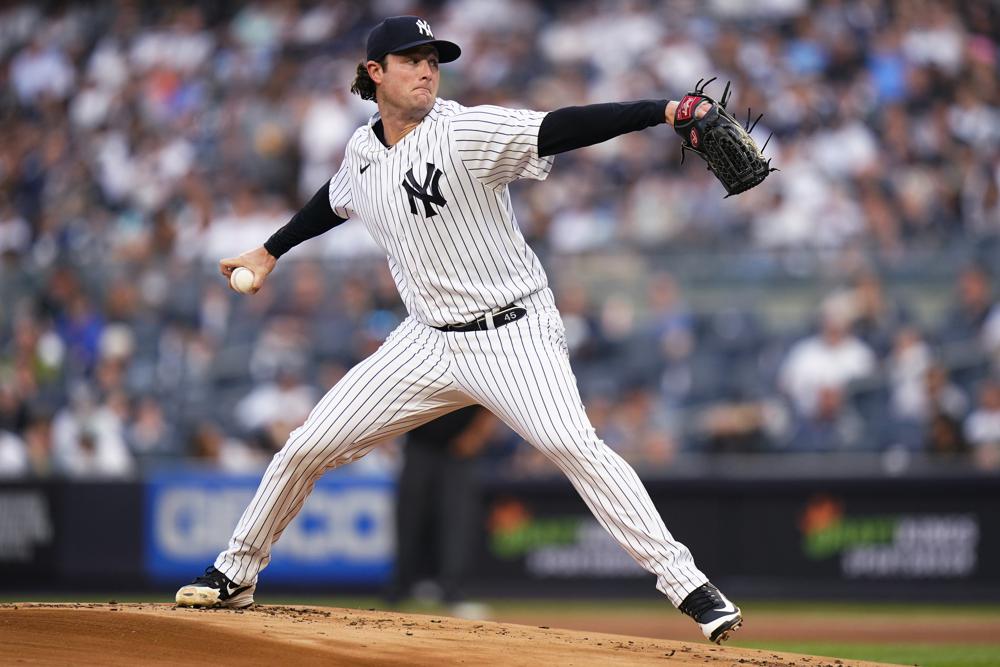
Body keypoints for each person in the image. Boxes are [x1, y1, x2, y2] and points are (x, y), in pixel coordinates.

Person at [175, 16, 742, 644]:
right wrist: (270, 251)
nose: (426, 69)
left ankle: (690, 586)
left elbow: (560, 126)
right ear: (374, 73)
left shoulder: (464, 130)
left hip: (513, 330)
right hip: (425, 340)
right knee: (306, 445)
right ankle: (236, 571)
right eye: (411, 58)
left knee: (574, 447)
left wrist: (662, 110)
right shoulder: (363, 151)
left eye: (433, 60)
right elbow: (334, 200)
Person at [385, 405, 495, 610]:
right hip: (420, 443)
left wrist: (476, 435)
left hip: (459, 447)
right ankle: (400, 587)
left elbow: (491, 405)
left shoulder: (479, 372)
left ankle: (452, 588)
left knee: (457, 519)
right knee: (409, 516)